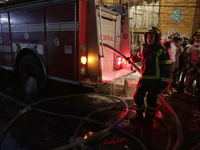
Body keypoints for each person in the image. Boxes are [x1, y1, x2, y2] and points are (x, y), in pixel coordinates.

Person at [126, 26, 171, 124]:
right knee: (137, 96)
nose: (148, 39)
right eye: (147, 37)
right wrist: (129, 59)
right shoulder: (144, 49)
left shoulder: (161, 51)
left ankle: (149, 118)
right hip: (144, 80)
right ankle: (139, 114)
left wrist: (164, 82)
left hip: (155, 82)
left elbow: (166, 68)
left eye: (151, 37)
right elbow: (137, 58)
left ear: (156, 38)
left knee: (151, 101)